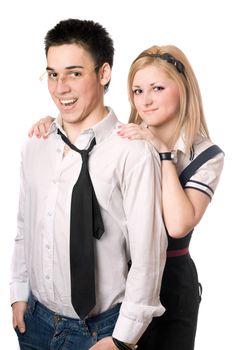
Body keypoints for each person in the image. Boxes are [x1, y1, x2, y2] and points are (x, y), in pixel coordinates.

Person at [32, 44, 224, 350]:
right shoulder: (128, 137)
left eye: (157, 88)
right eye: (137, 91)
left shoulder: (205, 154)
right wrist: (54, 125)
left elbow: (177, 225)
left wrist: (163, 153)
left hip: (171, 283)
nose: (145, 100)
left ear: (183, 87)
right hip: (123, 281)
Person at [10, 19, 167, 350]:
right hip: (35, 321)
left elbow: (149, 255)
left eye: (74, 73)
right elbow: (26, 226)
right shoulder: (35, 144)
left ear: (103, 74)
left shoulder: (133, 151)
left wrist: (123, 339)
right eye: (53, 74)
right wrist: (17, 292)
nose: (60, 87)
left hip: (101, 332)